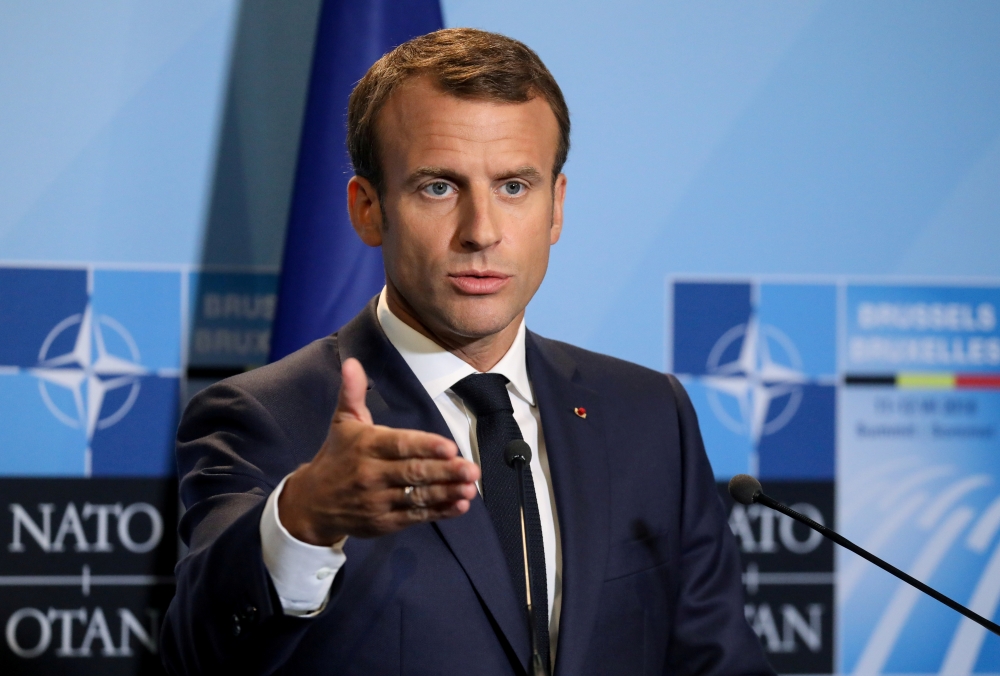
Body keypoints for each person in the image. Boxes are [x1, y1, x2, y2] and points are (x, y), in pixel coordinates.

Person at [161, 28, 773, 676]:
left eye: (514, 187)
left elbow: (718, 662)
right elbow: (198, 660)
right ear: (367, 209)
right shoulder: (266, 417)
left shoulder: (648, 413)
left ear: (556, 207)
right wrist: (306, 518)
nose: (481, 231)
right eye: (438, 187)